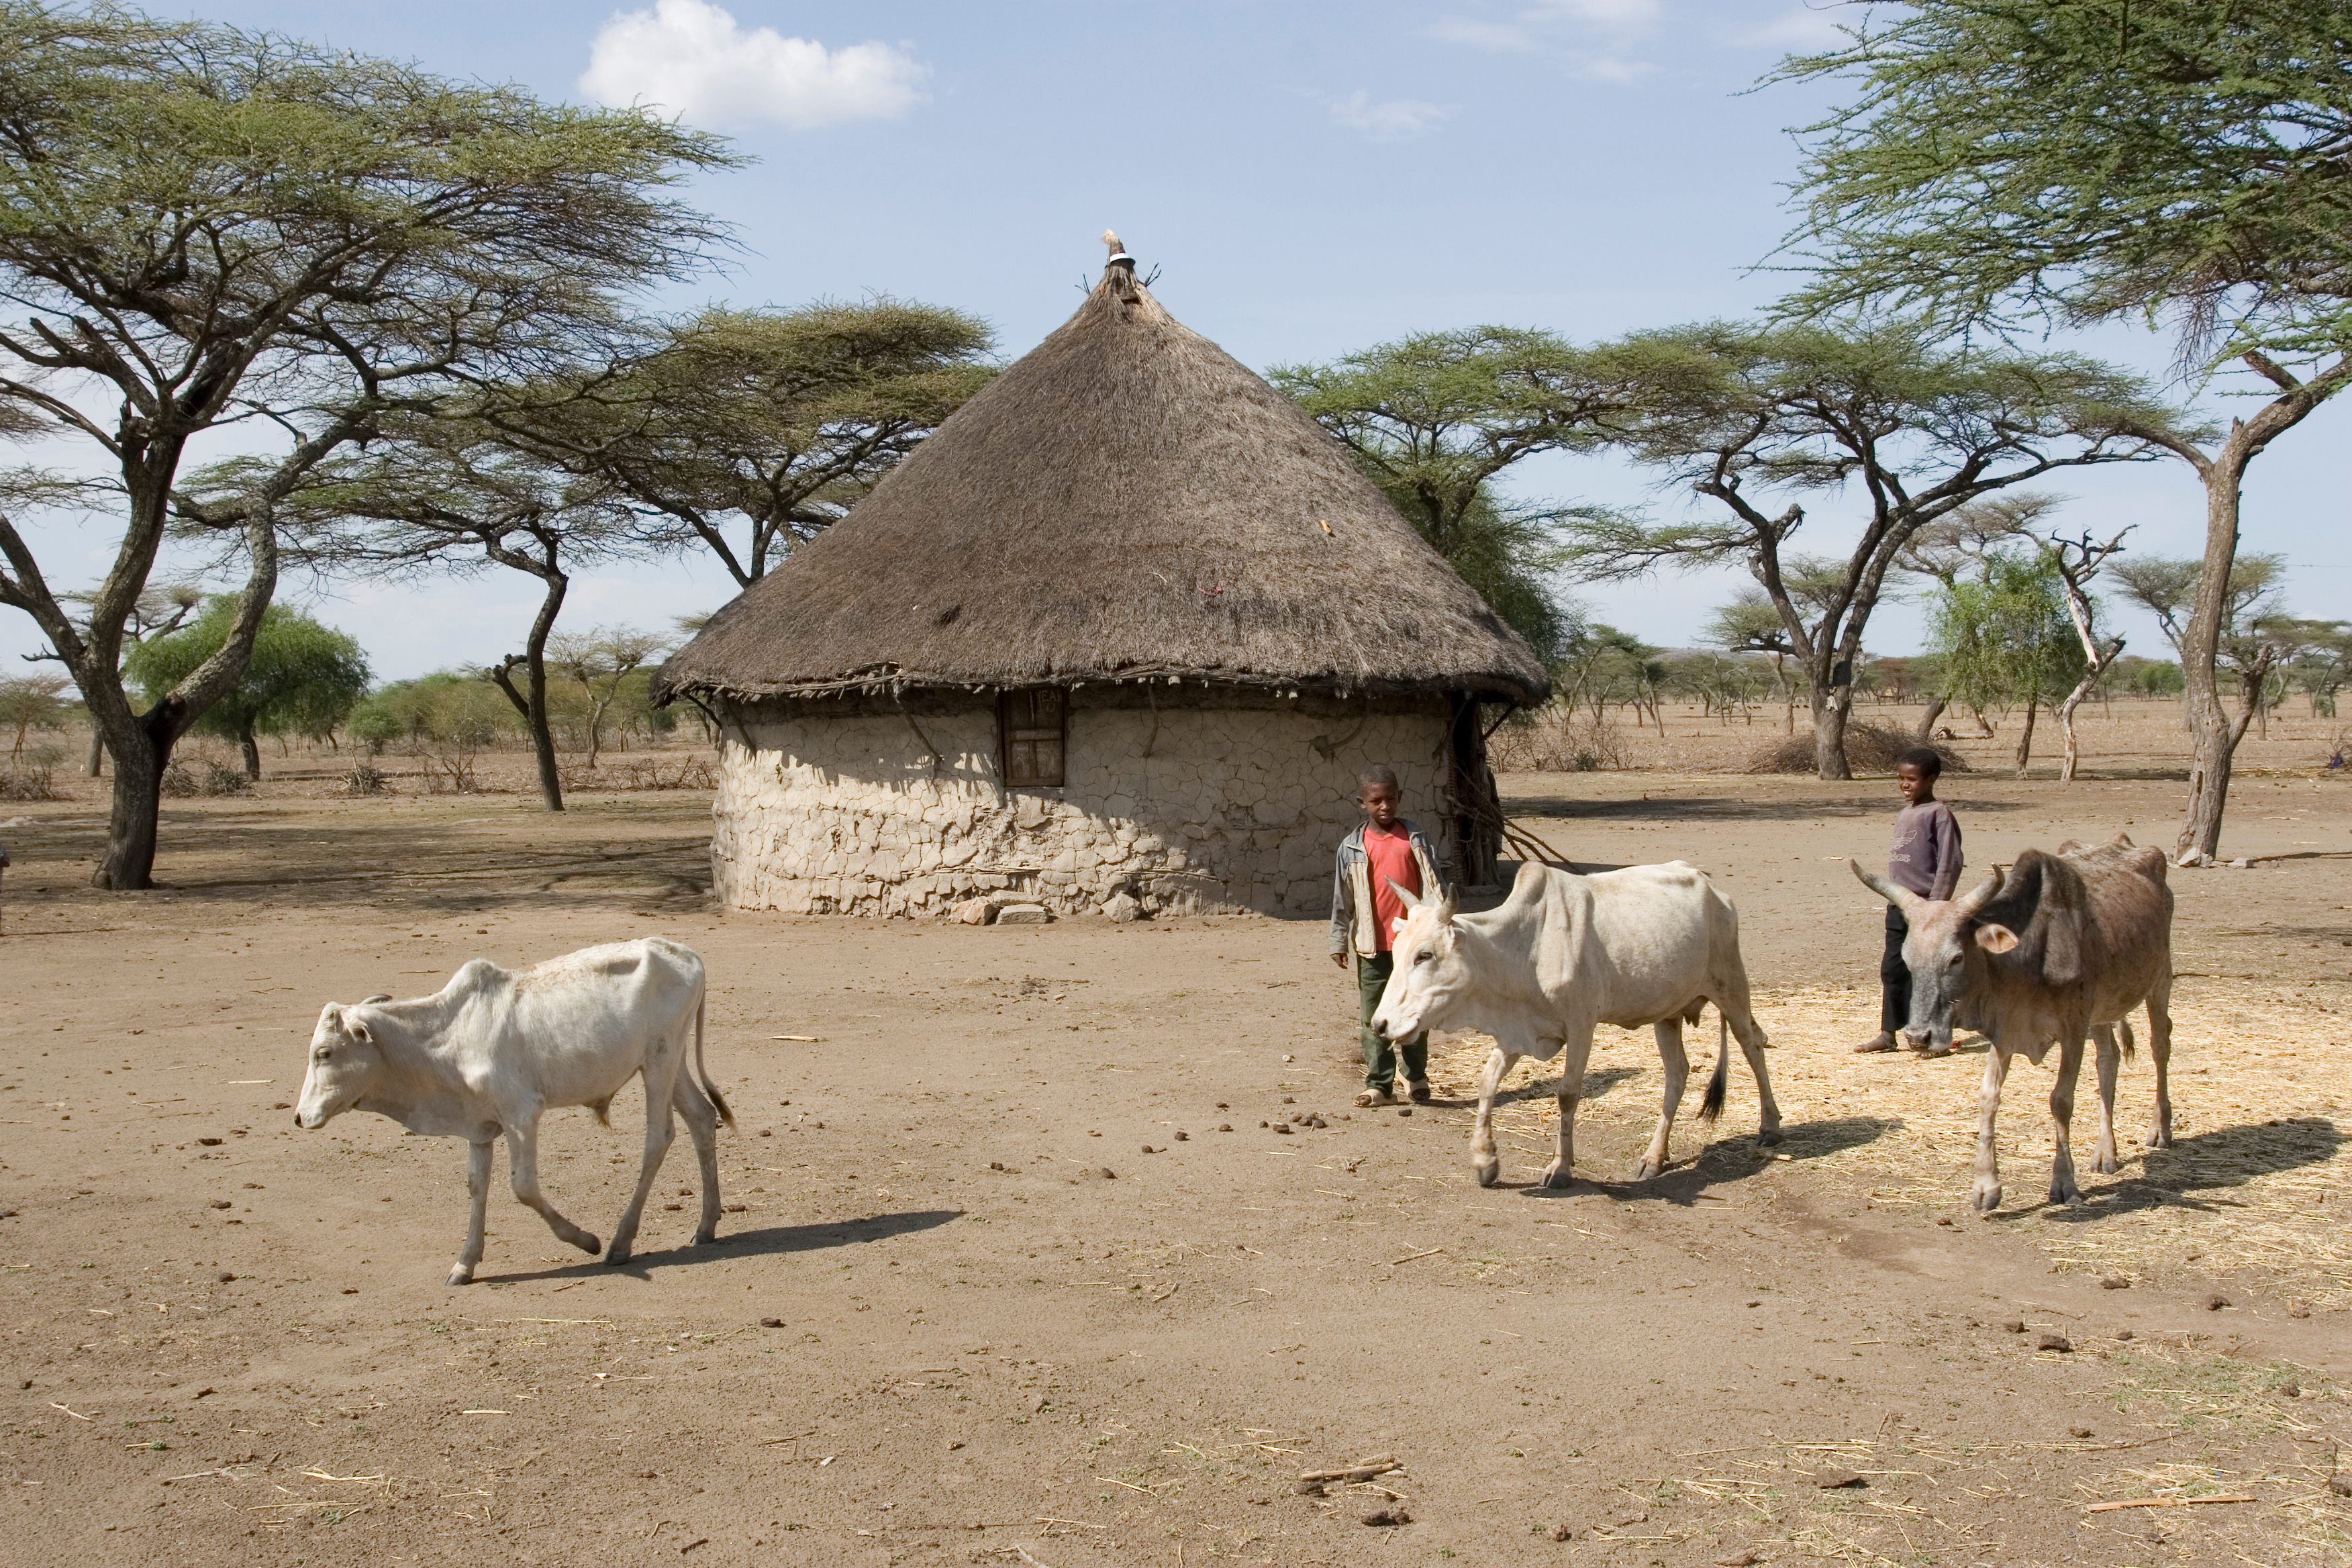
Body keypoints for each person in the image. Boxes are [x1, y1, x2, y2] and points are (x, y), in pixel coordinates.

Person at [1329, 765, 1447, 1106]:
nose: (1384, 807)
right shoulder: (1351, 849)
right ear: (1362, 803)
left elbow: (1435, 886)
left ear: (1400, 798)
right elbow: (1343, 900)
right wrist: (1338, 940)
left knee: (1413, 1013)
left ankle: (1417, 1077)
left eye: (1390, 799)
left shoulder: (1415, 840)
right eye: (1376, 801)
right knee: (1373, 1018)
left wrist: (1439, 930)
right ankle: (1380, 1085)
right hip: (1373, 947)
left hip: (1411, 948)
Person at [1855, 745, 1964, 1055]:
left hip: (1927, 907)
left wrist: (1936, 908)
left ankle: (1937, 1035)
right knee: (1893, 968)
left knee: (1929, 972)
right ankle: (1888, 1034)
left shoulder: (1939, 814)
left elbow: (1950, 862)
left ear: (1930, 780)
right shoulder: (1906, 813)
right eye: (1901, 778)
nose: (1905, 784)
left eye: (1912, 779)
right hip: (1899, 906)